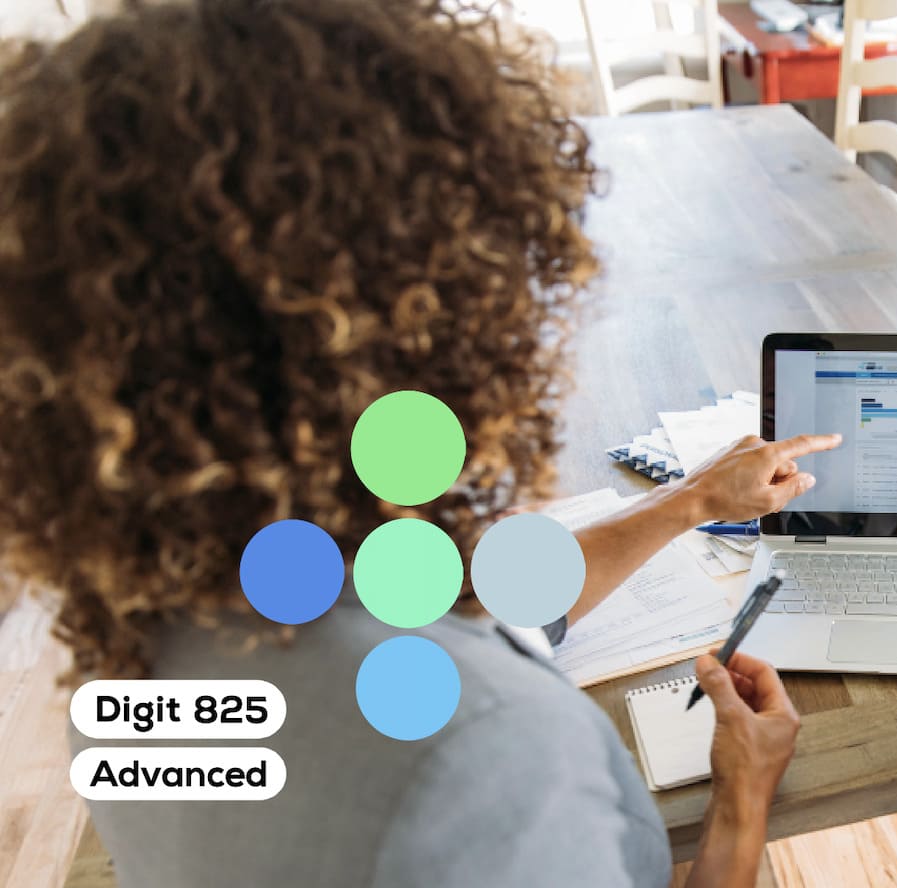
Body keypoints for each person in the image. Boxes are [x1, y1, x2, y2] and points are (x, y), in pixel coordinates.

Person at [0, 1, 837, 886]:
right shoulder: (493, 763)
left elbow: (483, 598)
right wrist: (743, 803)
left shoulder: (142, 632)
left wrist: (693, 501)